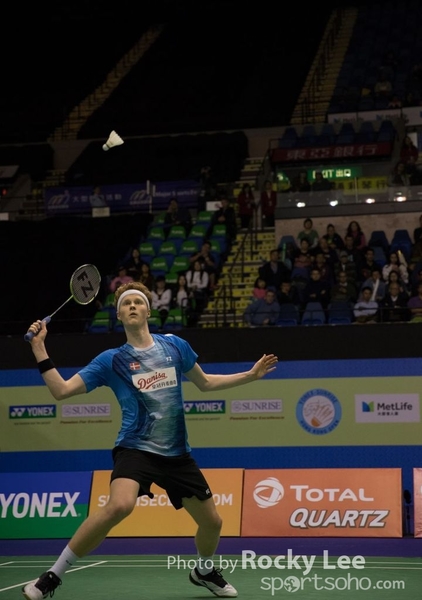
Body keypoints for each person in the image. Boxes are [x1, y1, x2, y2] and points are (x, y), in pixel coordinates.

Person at [23, 281, 278, 600]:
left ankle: (203, 571)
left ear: (148, 311)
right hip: (135, 448)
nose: (132, 306)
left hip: (177, 454)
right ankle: (51, 576)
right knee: (120, 505)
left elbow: (206, 383)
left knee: (213, 522)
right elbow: (60, 390)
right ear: (119, 315)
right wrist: (39, 349)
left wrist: (249, 376)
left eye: (138, 302)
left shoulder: (174, 347)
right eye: (125, 304)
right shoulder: (110, 360)